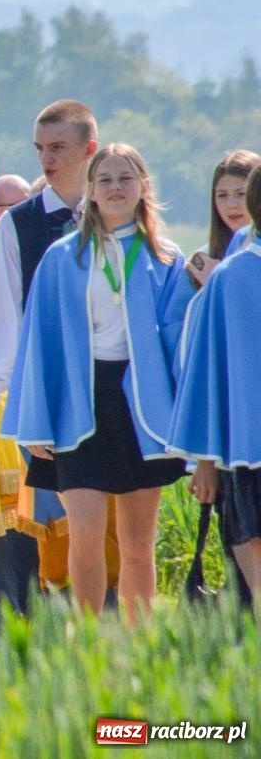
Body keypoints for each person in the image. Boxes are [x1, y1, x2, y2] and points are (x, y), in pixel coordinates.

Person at [3, 144, 191, 622]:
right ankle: (88, 647)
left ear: (143, 187)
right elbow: (37, 343)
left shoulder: (166, 259)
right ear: (89, 190)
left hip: (142, 409)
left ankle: (137, 645)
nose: (115, 188)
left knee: (136, 543)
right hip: (78, 405)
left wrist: (184, 423)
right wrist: (36, 422)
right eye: (104, 179)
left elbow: (180, 350)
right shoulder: (61, 257)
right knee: (83, 533)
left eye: (125, 178)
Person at [0, 100, 99, 609]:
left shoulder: (116, 214)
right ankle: (55, 636)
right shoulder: (18, 225)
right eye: (40, 149)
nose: (46, 159)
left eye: (59, 148)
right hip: (47, 393)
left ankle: (117, 637)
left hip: (109, 388)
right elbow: (3, 314)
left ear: (89, 149)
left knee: (115, 528)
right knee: (52, 523)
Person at [169, 165, 261, 596]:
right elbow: (208, 371)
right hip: (248, 449)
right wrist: (206, 459)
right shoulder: (231, 276)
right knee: (248, 540)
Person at [186, 150, 261, 289]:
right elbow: (183, 310)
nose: (231, 205)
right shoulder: (200, 262)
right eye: (222, 195)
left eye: (241, 193)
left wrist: (218, 281)